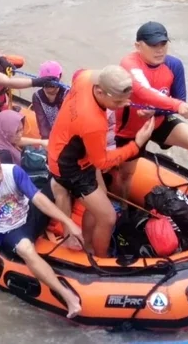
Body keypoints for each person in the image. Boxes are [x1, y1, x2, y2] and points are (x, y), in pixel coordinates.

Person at [0, 147, 83, 318]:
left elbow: (37, 198)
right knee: (26, 250)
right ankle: (67, 296)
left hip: (29, 214)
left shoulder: (12, 172)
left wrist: (67, 222)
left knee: (57, 184)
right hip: (8, 230)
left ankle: (68, 237)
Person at [115, 21, 188, 207]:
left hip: (158, 121)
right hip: (130, 129)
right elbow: (144, 90)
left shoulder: (174, 65)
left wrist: (158, 110)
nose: (159, 50)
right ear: (138, 46)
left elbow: (179, 98)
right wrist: (178, 106)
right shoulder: (129, 63)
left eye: (163, 44)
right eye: (153, 45)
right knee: (126, 174)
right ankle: (124, 206)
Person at [47, 65, 155, 257]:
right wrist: (136, 145)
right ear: (99, 91)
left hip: (70, 147)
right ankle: (101, 257)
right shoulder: (93, 122)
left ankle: (88, 243)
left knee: (101, 198)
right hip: (68, 166)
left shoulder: (86, 78)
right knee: (108, 217)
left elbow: (91, 74)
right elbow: (103, 162)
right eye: (118, 101)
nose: (122, 105)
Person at [31, 61, 69, 139]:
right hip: (50, 135)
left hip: (66, 134)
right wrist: (47, 139)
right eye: (46, 83)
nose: (48, 86)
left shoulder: (67, 94)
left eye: (51, 84)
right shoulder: (37, 97)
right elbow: (42, 122)